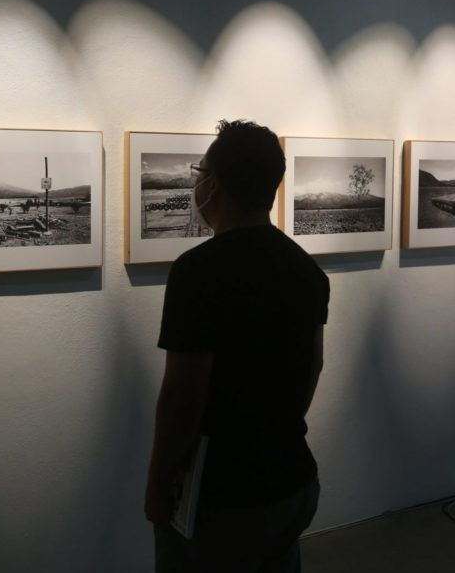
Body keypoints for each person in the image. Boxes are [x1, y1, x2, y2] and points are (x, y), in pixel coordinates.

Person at [145, 120, 329, 572]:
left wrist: (157, 485)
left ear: (215, 184)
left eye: (199, 172)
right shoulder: (306, 270)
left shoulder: (197, 273)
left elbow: (181, 400)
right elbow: (313, 368)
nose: (196, 184)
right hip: (290, 477)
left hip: (221, 493)